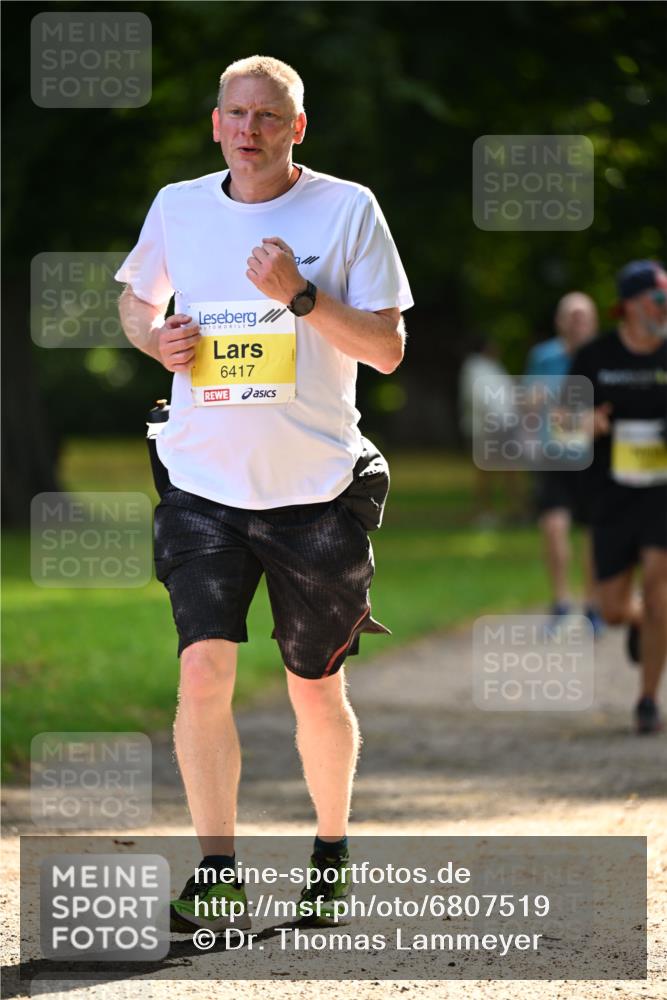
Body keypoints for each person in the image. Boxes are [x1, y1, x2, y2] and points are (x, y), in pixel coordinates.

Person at [115, 55, 413, 929]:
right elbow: (136, 300)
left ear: (297, 128)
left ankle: (328, 850)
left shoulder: (347, 208)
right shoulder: (178, 205)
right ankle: (216, 870)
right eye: (236, 114)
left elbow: (388, 350)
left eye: (269, 116)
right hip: (200, 481)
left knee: (312, 685)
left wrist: (302, 297)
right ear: (216, 124)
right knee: (203, 670)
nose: (250, 129)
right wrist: (154, 339)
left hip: (314, 490)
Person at [569, 260, 667, 734]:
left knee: (658, 590)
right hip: (611, 494)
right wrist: (587, 422)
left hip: (661, 496)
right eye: (657, 298)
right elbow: (561, 420)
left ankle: (647, 700)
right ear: (629, 305)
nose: (663, 307)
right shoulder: (594, 357)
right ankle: (639, 624)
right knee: (611, 608)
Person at [524, 293, 603, 634]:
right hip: (553, 456)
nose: (577, 323)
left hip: (594, 458)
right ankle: (560, 603)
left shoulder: (606, 357)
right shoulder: (543, 358)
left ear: (594, 322)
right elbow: (526, 404)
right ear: (560, 322)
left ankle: (593, 606)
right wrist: (536, 401)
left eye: (583, 317)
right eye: (571, 316)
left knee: (593, 535)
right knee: (554, 529)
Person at [458, 335, 523, 525]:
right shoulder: (474, 367)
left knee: (510, 469)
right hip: (486, 428)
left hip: (504, 425)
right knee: (486, 472)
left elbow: (508, 395)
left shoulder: (494, 367)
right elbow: (479, 398)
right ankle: (485, 512)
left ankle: (514, 510)